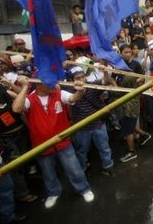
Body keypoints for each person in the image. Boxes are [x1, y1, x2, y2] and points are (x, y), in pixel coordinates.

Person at [12, 76, 94, 209]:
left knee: (74, 168)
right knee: (47, 172)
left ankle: (83, 189)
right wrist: (25, 87)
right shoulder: (30, 99)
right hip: (41, 145)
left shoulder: (59, 94)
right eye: (49, 82)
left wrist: (80, 91)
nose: (53, 84)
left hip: (63, 142)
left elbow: (73, 98)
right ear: (38, 85)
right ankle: (53, 192)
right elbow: (16, 108)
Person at [66, 66, 116, 177]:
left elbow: (105, 81)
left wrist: (105, 72)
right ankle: (82, 169)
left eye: (83, 77)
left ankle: (108, 167)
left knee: (104, 148)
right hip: (81, 128)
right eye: (78, 78)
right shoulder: (67, 91)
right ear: (70, 81)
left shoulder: (92, 85)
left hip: (98, 124)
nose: (82, 80)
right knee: (82, 152)